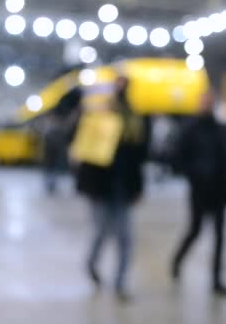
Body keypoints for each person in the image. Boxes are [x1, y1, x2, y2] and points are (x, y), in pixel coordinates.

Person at [76, 76, 149, 301]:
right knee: (101, 231)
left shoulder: (134, 119)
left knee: (125, 237)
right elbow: (84, 152)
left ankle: (120, 283)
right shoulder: (96, 118)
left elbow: (139, 156)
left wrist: (138, 187)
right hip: (101, 187)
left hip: (123, 187)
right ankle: (91, 263)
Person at [171, 90, 226, 297]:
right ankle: (177, 261)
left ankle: (216, 281)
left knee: (219, 237)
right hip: (200, 190)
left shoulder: (221, 129)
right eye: (204, 101)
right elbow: (178, 158)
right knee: (195, 230)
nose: (207, 105)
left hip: (219, 190)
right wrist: (194, 175)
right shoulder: (190, 129)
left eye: (209, 101)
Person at [43, 114, 67, 193]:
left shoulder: (51, 131)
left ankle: (51, 186)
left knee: (51, 171)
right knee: (51, 171)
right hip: (50, 157)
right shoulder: (53, 131)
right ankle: (50, 186)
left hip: (52, 157)